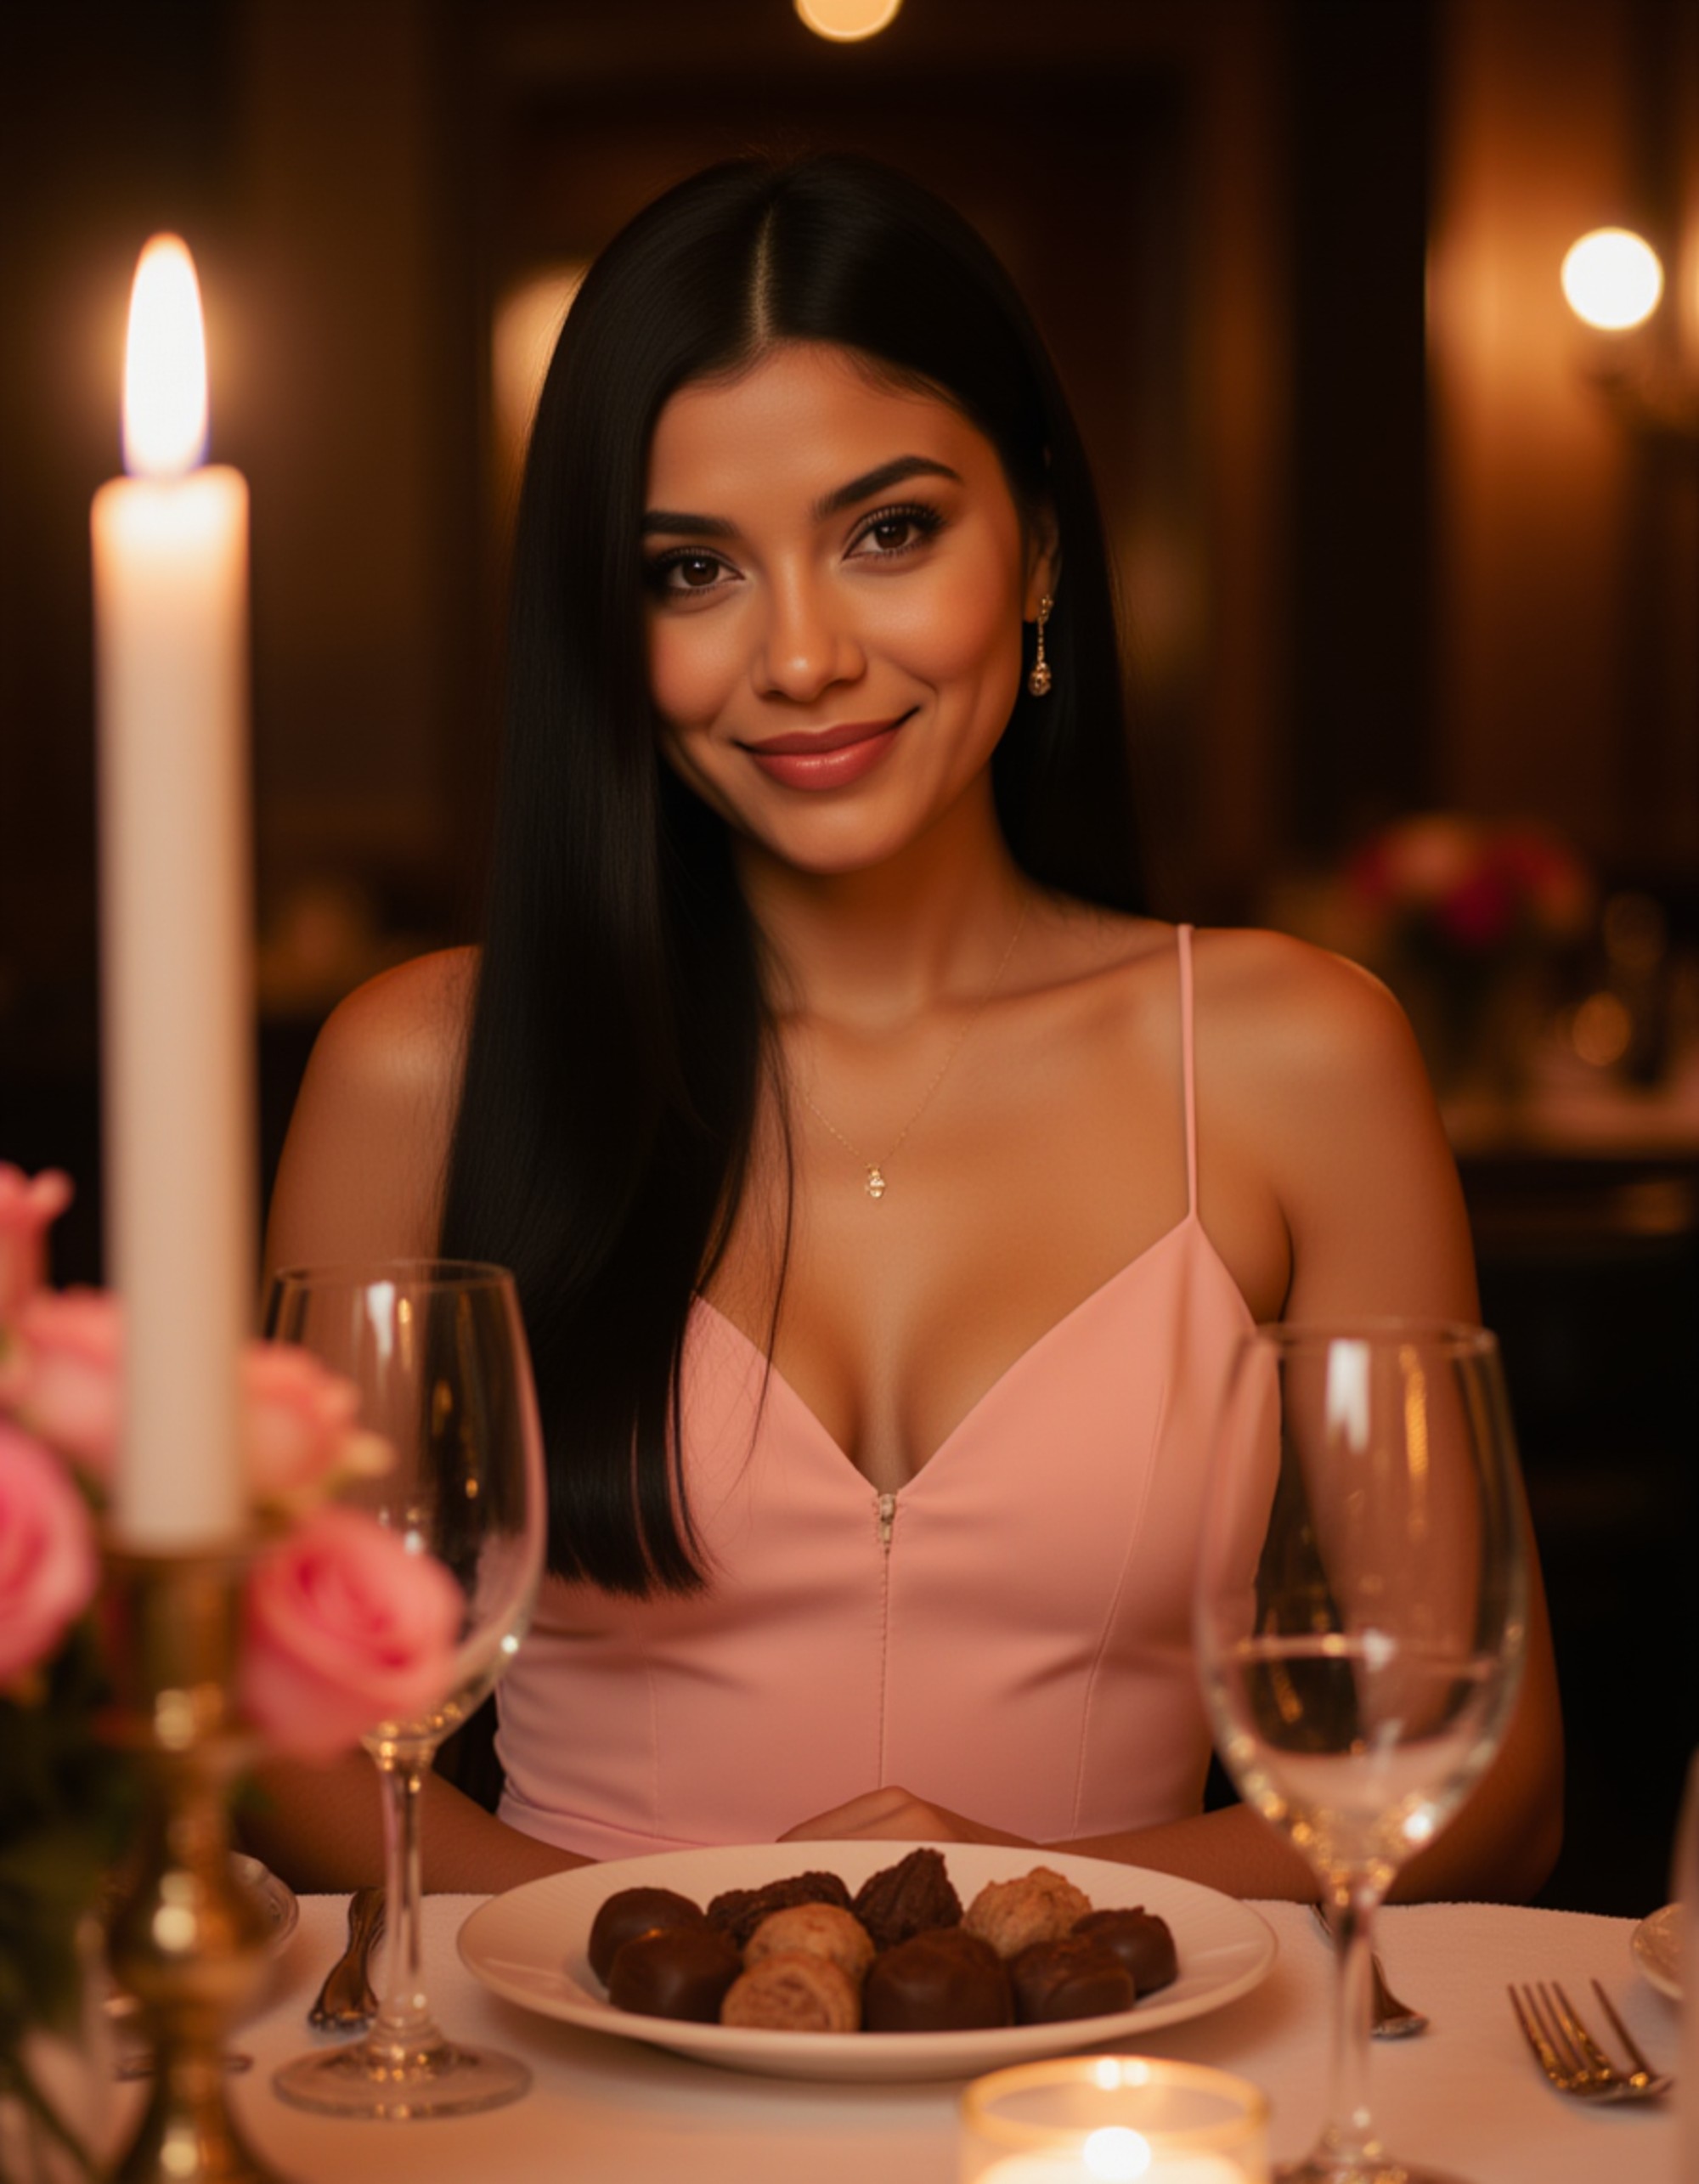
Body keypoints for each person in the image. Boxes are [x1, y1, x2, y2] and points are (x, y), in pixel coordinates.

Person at [251, 153, 1561, 1901]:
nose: (799, 655)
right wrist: (657, 1956)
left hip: (1124, 2098)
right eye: (692, 569)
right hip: (563, 2091)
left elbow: (1482, 1782)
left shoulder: (1291, 1054)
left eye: (888, 532)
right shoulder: (419, 1069)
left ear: (1033, 547)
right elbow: (285, 1744)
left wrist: (1050, 1907)